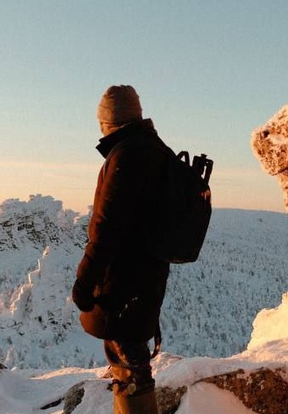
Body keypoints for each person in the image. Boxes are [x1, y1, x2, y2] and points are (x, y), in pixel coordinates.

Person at [72, 85, 170, 414]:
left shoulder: (127, 155)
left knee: (129, 367)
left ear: (108, 122)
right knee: (132, 361)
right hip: (149, 274)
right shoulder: (157, 150)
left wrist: (84, 283)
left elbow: (106, 228)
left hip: (123, 281)